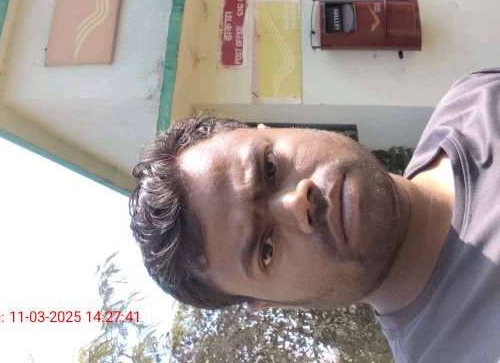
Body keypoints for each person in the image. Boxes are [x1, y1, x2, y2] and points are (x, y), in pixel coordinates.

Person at [129, 68, 500, 361]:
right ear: (271, 302)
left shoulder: (477, 99)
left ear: (274, 128)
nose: (295, 204)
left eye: (269, 167)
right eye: (266, 250)